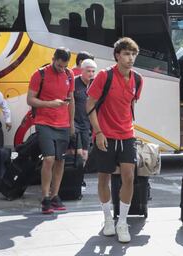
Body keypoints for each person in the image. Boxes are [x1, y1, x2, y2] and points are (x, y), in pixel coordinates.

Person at [86, 37, 143, 243]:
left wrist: (132, 127)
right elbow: (89, 106)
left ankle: (122, 222)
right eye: (126, 54)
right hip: (105, 135)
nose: (130, 58)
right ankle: (108, 218)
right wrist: (98, 132)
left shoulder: (138, 79)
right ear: (117, 55)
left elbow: (130, 105)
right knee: (104, 178)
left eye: (133, 54)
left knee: (129, 177)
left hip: (127, 134)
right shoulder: (104, 76)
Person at [27, 47, 75, 214]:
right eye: (59, 65)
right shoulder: (39, 74)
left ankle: (55, 196)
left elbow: (72, 100)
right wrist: (50, 103)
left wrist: (72, 125)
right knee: (49, 159)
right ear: (53, 58)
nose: (62, 69)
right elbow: (30, 99)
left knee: (60, 160)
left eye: (65, 66)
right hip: (44, 122)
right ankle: (45, 197)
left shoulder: (69, 75)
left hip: (63, 124)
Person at [72, 58, 97, 191]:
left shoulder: (95, 84)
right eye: (88, 71)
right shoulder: (74, 82)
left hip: (87, 124)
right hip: (75, 123)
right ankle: (75, 179)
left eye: (93, 71)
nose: (91, 74)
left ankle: (80, 179)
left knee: (85, 155)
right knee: (79, 152)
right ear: (82, 71)